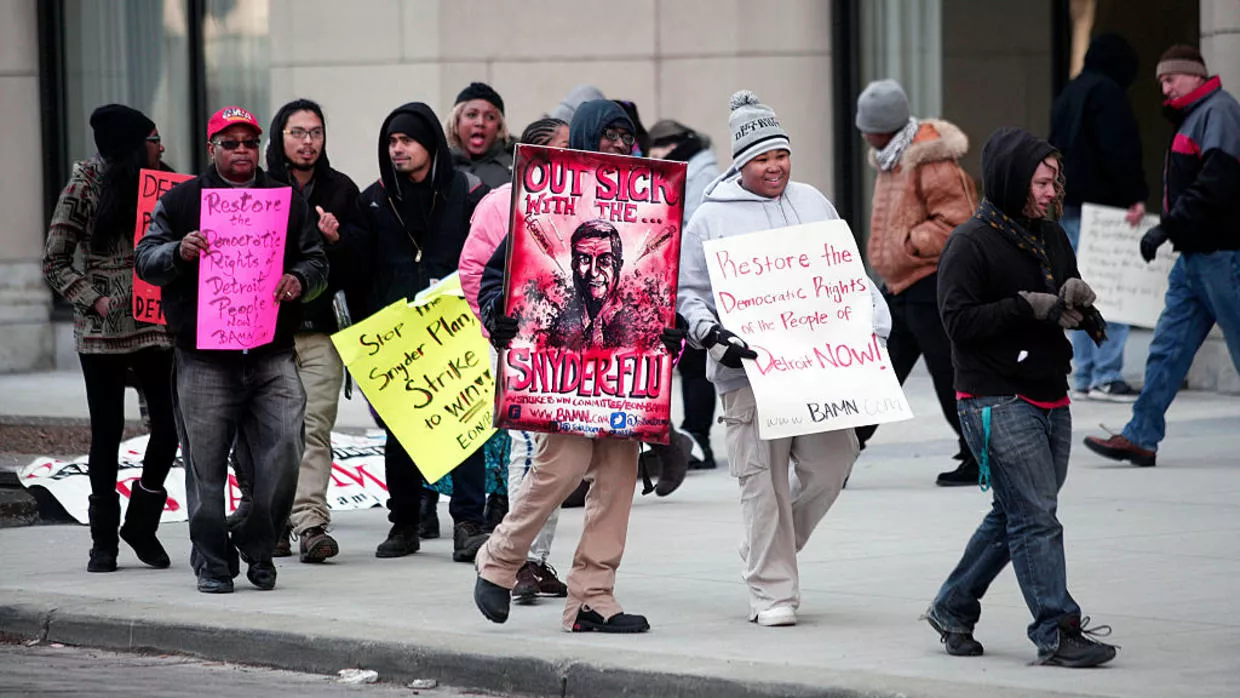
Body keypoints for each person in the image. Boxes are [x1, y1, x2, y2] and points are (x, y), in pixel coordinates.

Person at [472, 99, 682, 633]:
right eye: (606, 133)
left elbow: (660, 294)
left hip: (620, 382)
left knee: (616, 479)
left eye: (624, 135)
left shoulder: (653, 210)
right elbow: (501, 274)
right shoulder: (548, 200)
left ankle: (592, 597)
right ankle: (498, 560)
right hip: (561, 376)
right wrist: (499, 314)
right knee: (560, 468)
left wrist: (670, 334)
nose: (616, 143)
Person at [677, 91, 883, 627]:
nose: (775, 167)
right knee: (761, 484)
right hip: (746, 373)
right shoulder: (709, 219)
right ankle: (772, 592)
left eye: (781, 155)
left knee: (833, 463)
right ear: (742, 163)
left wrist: (874, 326)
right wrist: (710, 333)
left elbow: (848, 271)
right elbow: (686, 292)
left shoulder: (814, 202)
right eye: (762, 158)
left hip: (816, 367)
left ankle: (767, 554)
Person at [924, 127, 1117, 667]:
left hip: (1048, 390)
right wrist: (1024, 306)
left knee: (1018, 513)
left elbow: (1063, 291)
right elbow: (957, 323)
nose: (1051, 192)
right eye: (1041, 181)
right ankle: (1056, 629)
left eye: (1055, 181)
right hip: (992, 397)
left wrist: (1077, 302)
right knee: (1036, 515)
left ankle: (952, 604)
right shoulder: (970, 242)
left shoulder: (1050, 235)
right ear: (1012, 181)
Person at [135, 105, 328, 593]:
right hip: (203, 357)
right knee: (206, 465)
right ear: (212, 149)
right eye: (230, 143)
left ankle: (256, 539)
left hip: (270, 352)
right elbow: (145, 260)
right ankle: (211, 559)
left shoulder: (286, 199)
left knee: (287, 447)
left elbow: (316, 260)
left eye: (248, 142)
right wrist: (179, 252)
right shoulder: (182, 202)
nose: (241, 151)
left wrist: (299, 279)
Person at [1083, 45, 1240, 467]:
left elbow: (1217, 182)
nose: (1164, 88)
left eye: (1170, 79)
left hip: (1223, 257)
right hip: (1194, 259)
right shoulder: (1196, 116)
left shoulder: (1218, 113)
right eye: (1161, 82)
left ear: (1194, 75)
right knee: (1166, 351)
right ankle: (1140, 437)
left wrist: (1167, 226)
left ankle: (1141, 435)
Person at [42, 104, 179, 573]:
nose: (161, 146)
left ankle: (142, 523)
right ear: (132, 145)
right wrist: (92, 299)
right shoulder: (84, 185)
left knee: (168, 427)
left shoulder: (163, 185)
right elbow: (54, 262)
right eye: (154, 138)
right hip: (101, 332)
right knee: (107, 433)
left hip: (155, 327)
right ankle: (103, 542)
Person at [354, 101, 491, 561]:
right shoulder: (373, 199)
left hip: (455, 328)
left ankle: (469, 524)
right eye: (391, 142)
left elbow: (488, 257)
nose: (398, 150)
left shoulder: (468, 192)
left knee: (466, 427)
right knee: (400, 433)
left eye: (407, 141)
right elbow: (361, 270)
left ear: (430, 144)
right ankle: (405, 524)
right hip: (396, 334)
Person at [459, 116, 571, 604]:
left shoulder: (581, 202)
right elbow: (474, 272)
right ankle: (517, 558)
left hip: (566, 348)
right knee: (529, 450)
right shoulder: (499, 204)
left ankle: (532, 556)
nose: (572, 154)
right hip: (514, 344)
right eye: (563, 148)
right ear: (535, 154)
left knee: (553, 457)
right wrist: (497, 327)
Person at [853, 79, 979, 486]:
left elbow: (959, 220)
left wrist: (907, 244)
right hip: (900, 286)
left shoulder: (929, 159)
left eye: (867, 127)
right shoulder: (890, 157)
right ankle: (838, 456)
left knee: (949, 375)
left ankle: (978, 456)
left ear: (884, 127)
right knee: (879, 376)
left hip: (929, 283)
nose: (862, 134)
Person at [263, 98, 362, 562]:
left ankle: (310, 524)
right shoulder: (261, 187)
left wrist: (338, 240)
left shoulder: (341, 189)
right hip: (269, 331)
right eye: (298, 132)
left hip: (322, 328)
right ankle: (273, 519)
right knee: (275, 433)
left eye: (315, 133)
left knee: (315, 427)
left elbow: (365, 257)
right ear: (279, 137)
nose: (308, 142)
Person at [1050, 33, 1148, 402]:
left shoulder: (1070, 93)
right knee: (1113, 289)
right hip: (1106, 209)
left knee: (1079, 290)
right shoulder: (1108, 94)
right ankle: (1107, 373)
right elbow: (1119, 150)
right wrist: (1135, 195)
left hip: (1070, 206)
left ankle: (1087, 373)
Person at [648, 119, 721, 470]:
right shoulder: (694, 168)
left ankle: (697, 439)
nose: (653, 153)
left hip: (695, 282)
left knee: (696, 365)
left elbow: (690, 227)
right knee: (691, 364)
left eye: (659, 147)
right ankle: (693, 438)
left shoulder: (698, 173)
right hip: (684, 280)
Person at [447, 82, 514, 188]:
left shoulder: (515, 169)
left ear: (499, 126)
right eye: (472, 115)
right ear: (456, 121)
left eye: (490, 117)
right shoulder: (440, 165)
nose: (480, 123)